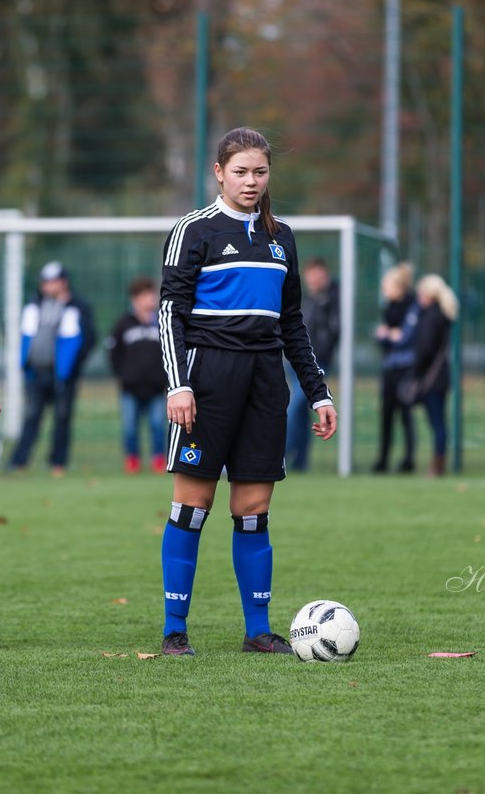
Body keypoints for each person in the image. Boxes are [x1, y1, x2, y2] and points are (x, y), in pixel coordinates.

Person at [159, 127, 337, 656]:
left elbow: (291, 323)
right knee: (192, 506)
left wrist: (319, 393)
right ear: (219, 173)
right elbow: (170, 312)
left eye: (260, 172)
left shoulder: (282, 237)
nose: (251, 181)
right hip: (208, 377)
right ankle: (175, 629)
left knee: (254, 508)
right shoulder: (194, 230)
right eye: (241, 171)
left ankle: (257, 630)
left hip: (264, 381)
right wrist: (179, 384)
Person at [10, 261, 96, 476]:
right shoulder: (34, 304)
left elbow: (88, 338)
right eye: (45, 282)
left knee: (62, 418)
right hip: (36, 372)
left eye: (53, 281)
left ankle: (58, 463)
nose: (48, 286)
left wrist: (73, 366)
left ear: (63, 282)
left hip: (63, 376)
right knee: (31, 417)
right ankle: (19, 461)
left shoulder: (78, 306)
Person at [105, 276, 166, 473]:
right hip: (130, 388)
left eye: (152, 294)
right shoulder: (124, 323)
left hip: (156, 387)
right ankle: (132, 460)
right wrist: (123, 375)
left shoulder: (162, 322)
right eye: (146, 295)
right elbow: (113, 352)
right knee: (130, 427)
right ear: (136, 298)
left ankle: (159, 459)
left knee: (157, 425)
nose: (151, 299)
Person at [285, 257, 339, 471]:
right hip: (295, 362)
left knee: (294, 406)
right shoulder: (308, 299)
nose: (314, 280)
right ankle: (301, 462)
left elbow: (334, 331)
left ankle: (282, 453)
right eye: (311, 276)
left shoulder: (333, 299)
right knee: (301, 411)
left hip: (317, 363)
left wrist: (319, 353)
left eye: (319, 275)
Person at [411, 274, 460, 477]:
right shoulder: (442, 315)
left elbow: (425, 348)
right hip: (439, 378)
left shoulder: (431, 316)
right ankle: (438, 463)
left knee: (437, 424)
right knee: (438, 423)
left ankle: (437, 465)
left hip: (432, 379)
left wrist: (415, 370)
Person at [372, 263, 416, 473]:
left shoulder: (412, 307)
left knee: (406, 416)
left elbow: (405, 337)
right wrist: (390, 336)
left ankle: (408, 460)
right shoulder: (388, 308)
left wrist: (389, 336)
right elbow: (384, 337)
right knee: (386, 416)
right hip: (390, 368)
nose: (384, 290)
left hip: (405, 370)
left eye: (386, 285)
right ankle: (383, 460)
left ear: (399, 287)